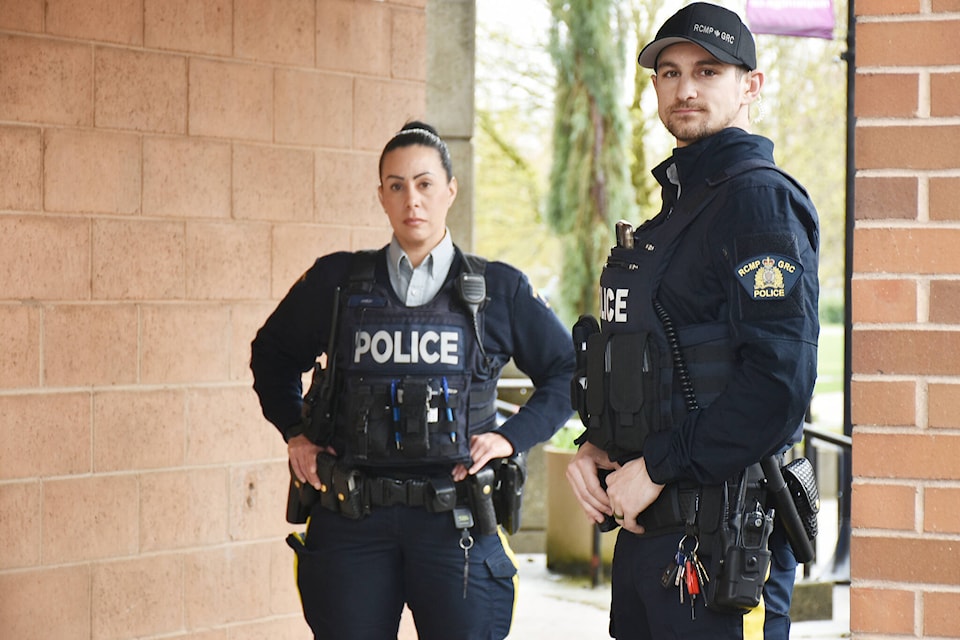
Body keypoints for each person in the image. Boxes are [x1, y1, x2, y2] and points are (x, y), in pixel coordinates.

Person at [250, 120, 575, 640]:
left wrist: (511, 437)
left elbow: (567, 372)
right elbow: (272, 355)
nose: (412, 200)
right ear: (381, 196)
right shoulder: (337, 282)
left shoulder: (497, 289)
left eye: (424, 184)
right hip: (351, 521)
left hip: (457, 524)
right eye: (397, 186)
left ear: (450, 190)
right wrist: (295, 432)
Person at [565, 3, 820, 640]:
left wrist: (654, 467)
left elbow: (778, 386)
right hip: (653, 535)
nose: (685, 88)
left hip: (724, 545)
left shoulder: (757, 200)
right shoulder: (678, 210)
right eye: (669, 72)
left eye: (707, 71)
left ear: (750, 85)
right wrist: (599, 446)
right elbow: (656, 363)